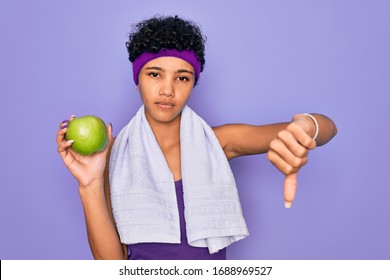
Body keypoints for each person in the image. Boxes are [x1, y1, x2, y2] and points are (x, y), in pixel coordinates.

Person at [56, 15, 337, 260]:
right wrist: (90, 184)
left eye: (182, 78)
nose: (167, 90)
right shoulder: (112, 155)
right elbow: (112, 265)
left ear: (193, 83)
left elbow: (327, 129)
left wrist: (304, 125)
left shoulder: (218, 142)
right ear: (137, 78)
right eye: (155, 74)